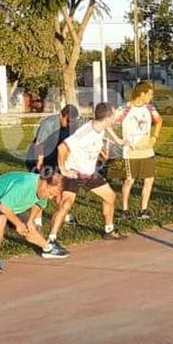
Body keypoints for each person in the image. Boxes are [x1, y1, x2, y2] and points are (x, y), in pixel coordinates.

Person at [49, 103, 125, 242]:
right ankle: (51, 240)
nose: (115, 117)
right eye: (113, 115)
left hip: (89, 173)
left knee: (110, 197)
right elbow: (62, 148)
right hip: (75, 173)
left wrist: (117, 141)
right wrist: (64, 170)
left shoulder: (100, 125)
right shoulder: (85, 132)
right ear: (107, 118)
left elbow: (106, 127)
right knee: (66, 205)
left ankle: (109, 230)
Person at [0, 170, 70, 274]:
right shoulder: (25, 184)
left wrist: (31, 220)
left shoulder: (42, 187)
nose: (50, 197)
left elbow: (39, 204)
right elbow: (3, 207)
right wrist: (18, 224)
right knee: (0, 218)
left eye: (53, 196)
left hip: (6, 202)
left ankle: (48, 249)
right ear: (44, 183)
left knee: (29, 228)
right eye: (50, 193)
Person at [116, 82, 164, 220]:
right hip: (130, 151)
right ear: (142, 93)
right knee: (129, 180)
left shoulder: (150, 108)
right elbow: (109, 123)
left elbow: (159, 121)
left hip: (147, 151)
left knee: (149, 179)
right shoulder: (125, 108)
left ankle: (144, 209)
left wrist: (154, 137)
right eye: (150, 94)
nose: (151, 97)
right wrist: (118, 140)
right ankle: (125, 210)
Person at [26, 105, 81, 173]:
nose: (69, 124)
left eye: (72, 122)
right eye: (67, 121)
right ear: (61, 115)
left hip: (55, 155)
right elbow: (39, 144)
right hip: (38, 155)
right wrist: (40, 163)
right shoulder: (49, 124)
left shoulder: (74, 125)